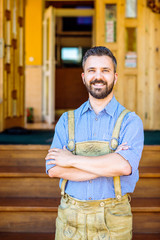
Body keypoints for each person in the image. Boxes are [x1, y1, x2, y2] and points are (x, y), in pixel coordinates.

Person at [45, 46, 144, 240]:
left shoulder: (131, 121)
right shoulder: (66, 120)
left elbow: (124, 167)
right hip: (70, 221)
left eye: (105, 71)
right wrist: (109, 163)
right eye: (92, 71)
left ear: (115, 77)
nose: (98, 77)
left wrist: (70, 159)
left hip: (113, 221)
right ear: (83, 77)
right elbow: (53, 169)